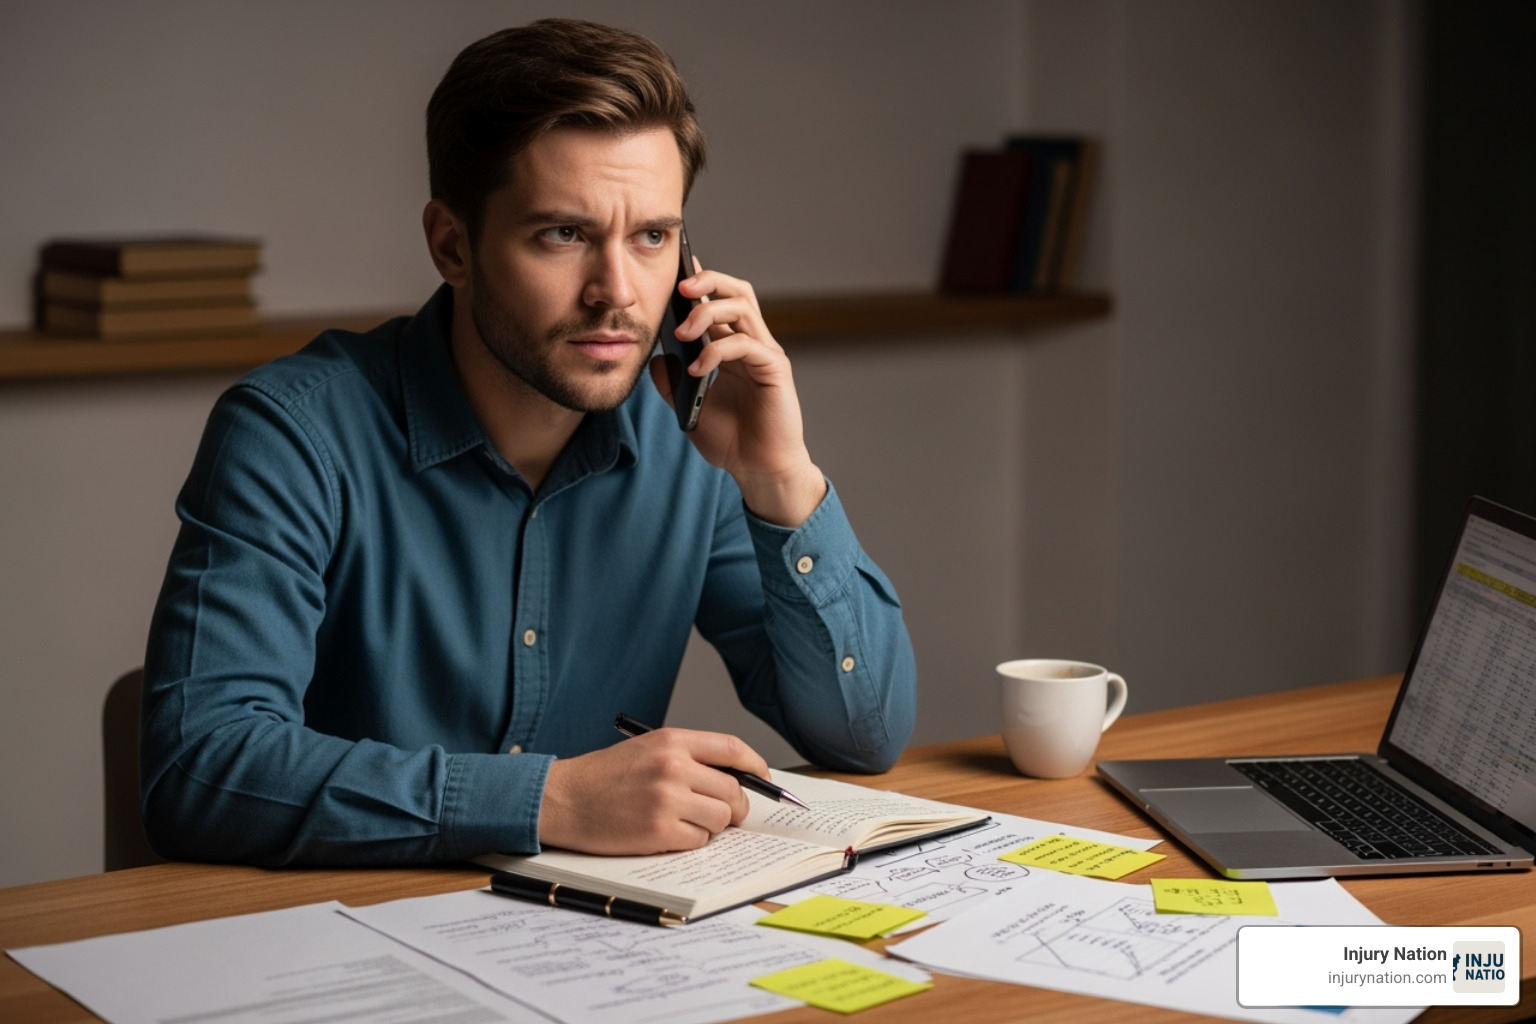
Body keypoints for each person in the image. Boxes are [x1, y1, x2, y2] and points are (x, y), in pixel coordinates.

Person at [140, 18, 916, 866]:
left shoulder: (690, 436)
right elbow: (202, 768)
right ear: (453, 245)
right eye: (564, 234)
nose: (618, 293)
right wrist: (550, 799)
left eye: (652, 236)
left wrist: (780, 476)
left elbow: (861, 733)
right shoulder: (292, 434)